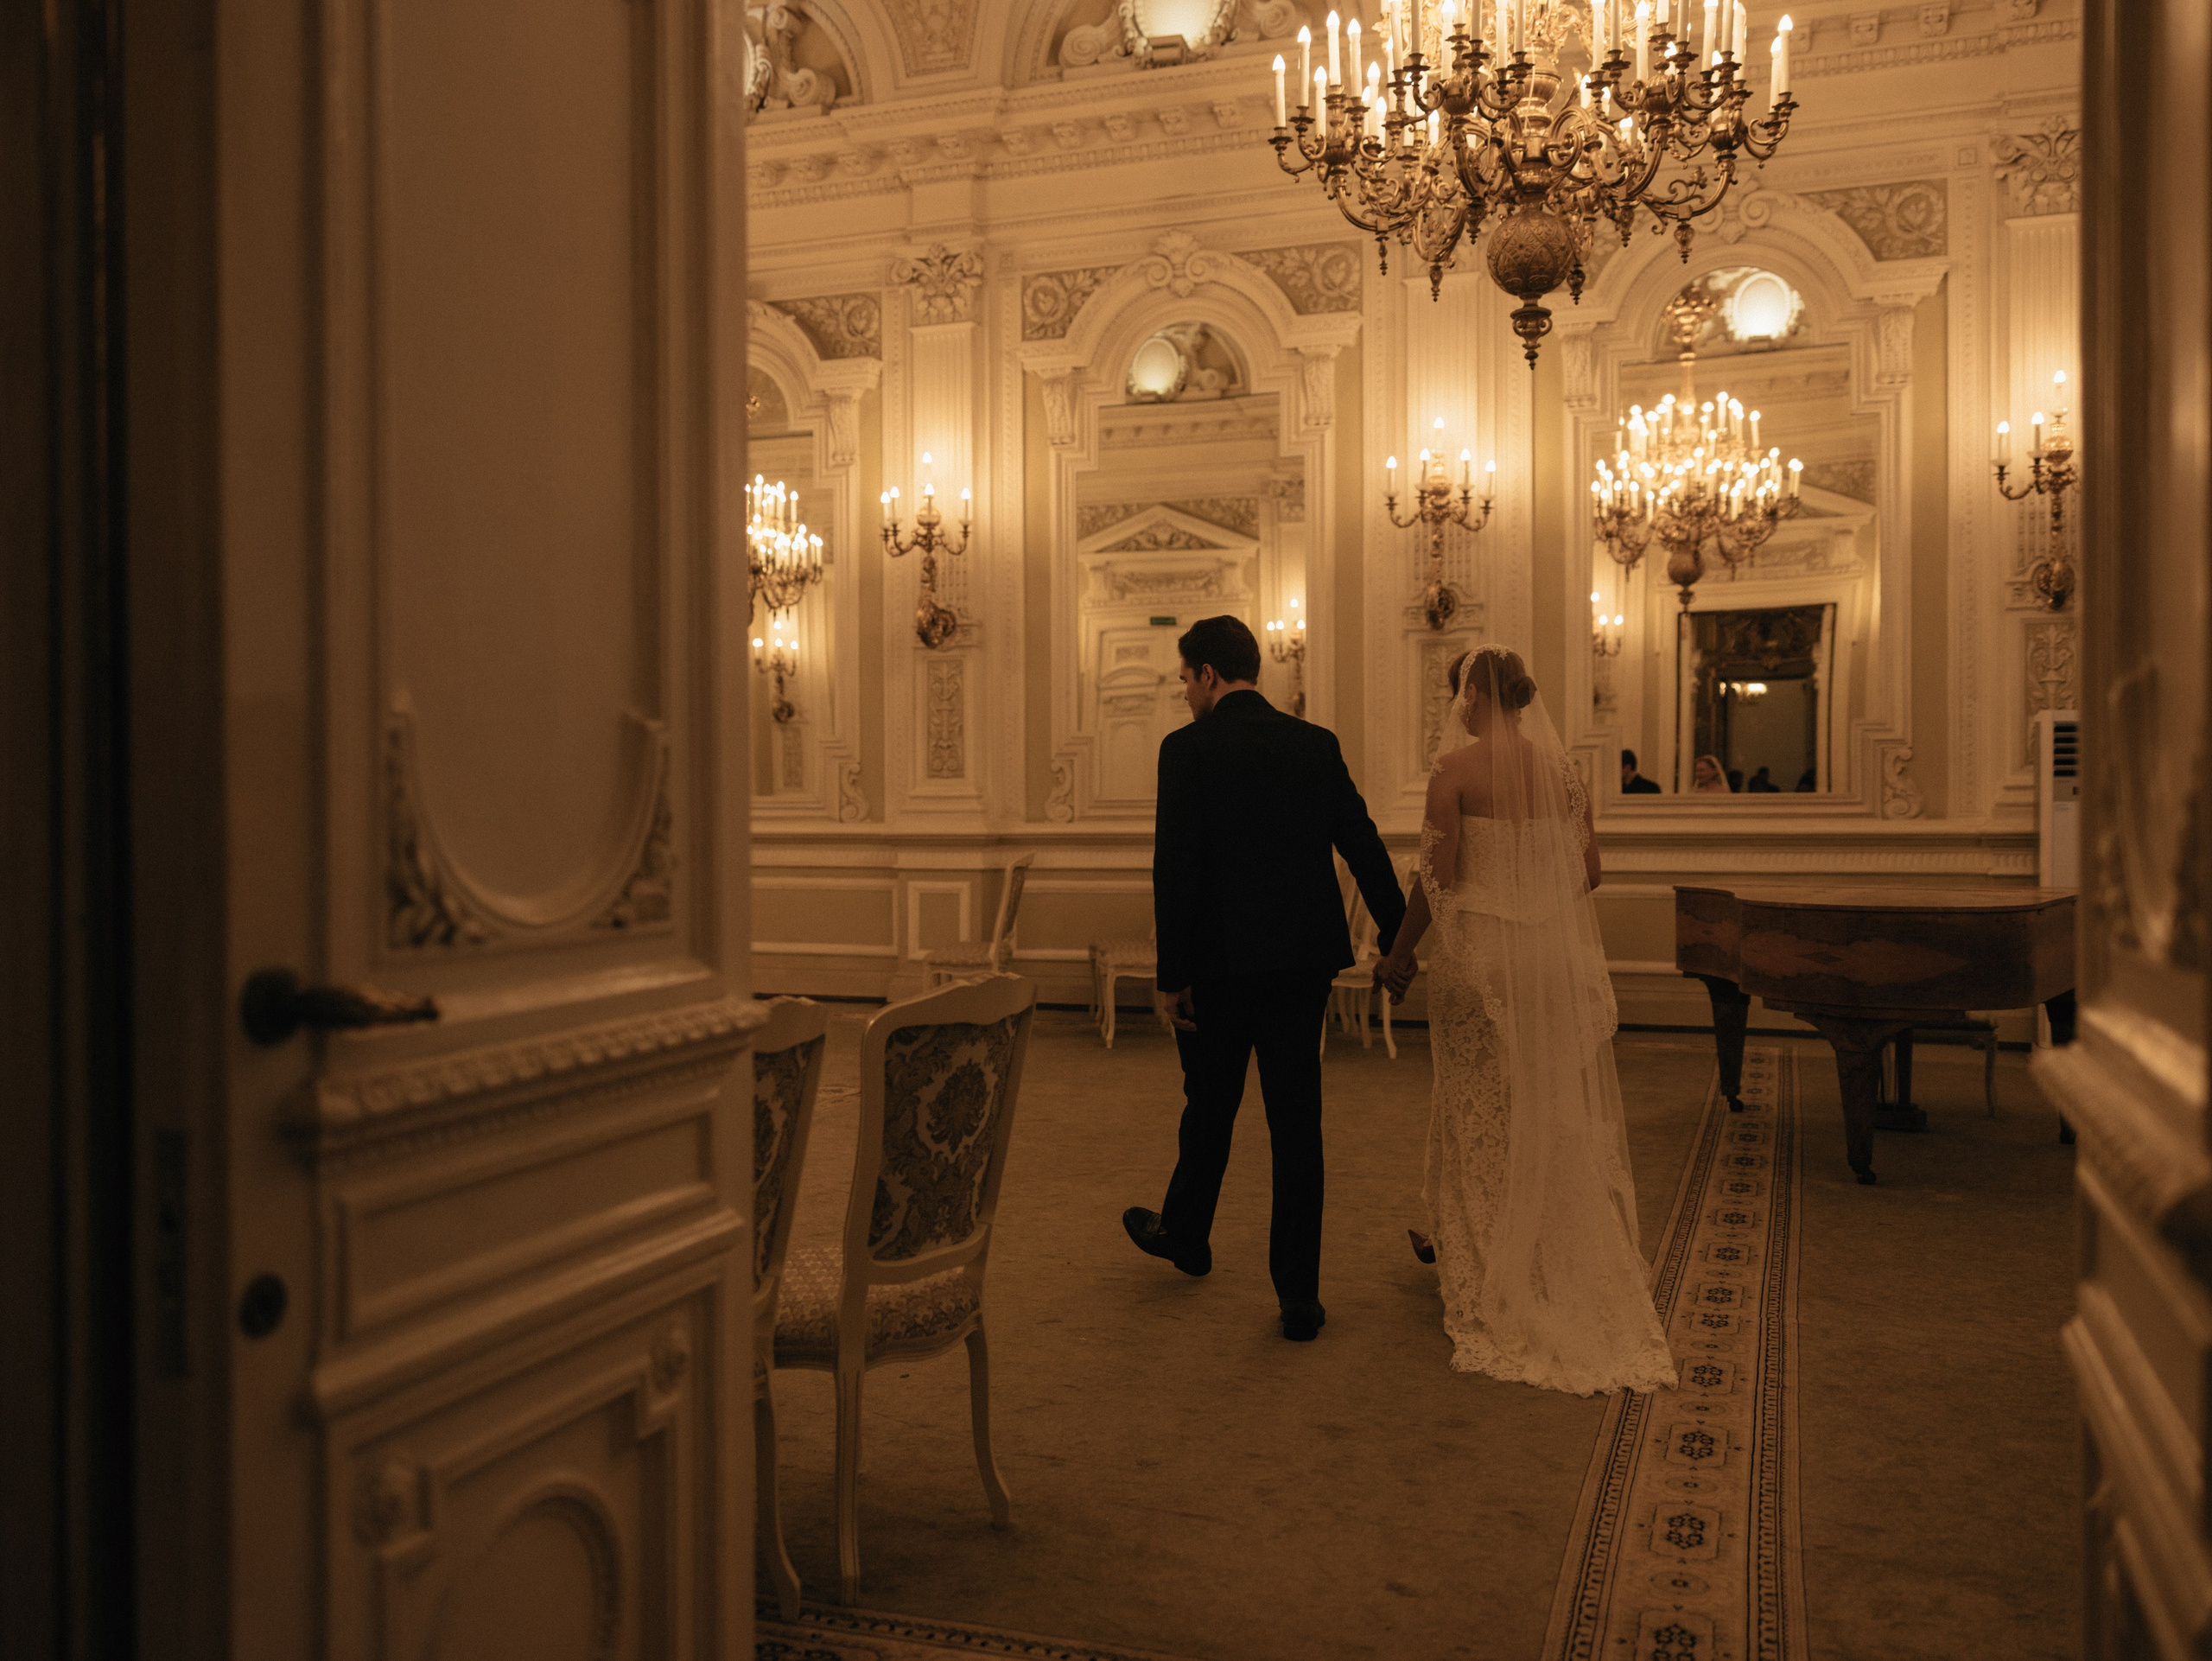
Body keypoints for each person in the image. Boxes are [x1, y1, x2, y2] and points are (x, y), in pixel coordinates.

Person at [1374, 646, 1675, 1395]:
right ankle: (1535, 1240)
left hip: (1480, 959)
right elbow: (1591, 870)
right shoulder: (1564, 771)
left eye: (1459, 698)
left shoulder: (1456, 772)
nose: (1459, 711)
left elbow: (1436, 879)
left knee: (1478, 1104)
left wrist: (1398, 955)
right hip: (1546, 957)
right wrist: (1538, 914)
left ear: (1473, 696)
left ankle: (1485, 1250)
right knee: (1542, 1102)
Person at [1124, 614, 1406, 1342]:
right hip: (1301, 963)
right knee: (1295, 1124)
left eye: (1186, 679)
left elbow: (1175, 867)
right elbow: (1363, 843)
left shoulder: (1186, 750)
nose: (1185, 694)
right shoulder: (1314, 745)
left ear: (1210, 676)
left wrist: (1172, 974)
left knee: (1210, 1105)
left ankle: (1187, 1237)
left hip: (1217, 966)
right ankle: (1299, 1297)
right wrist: (1401, 937)